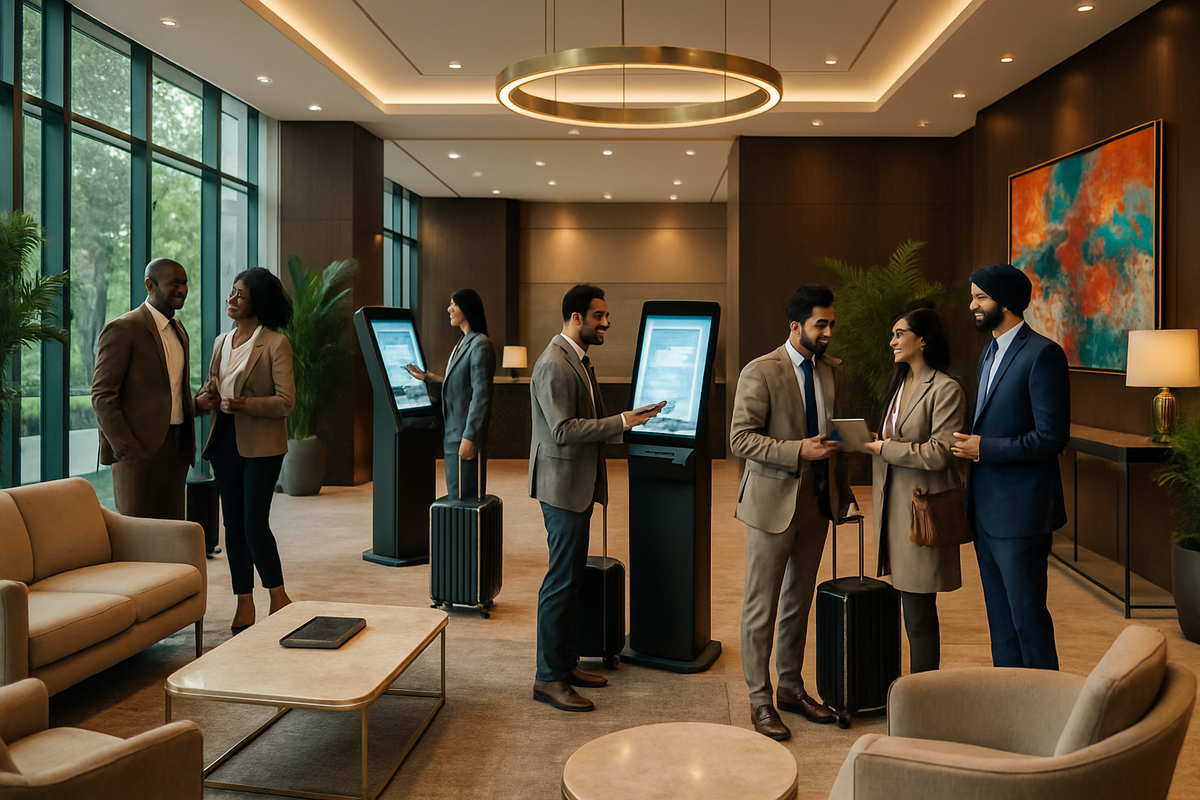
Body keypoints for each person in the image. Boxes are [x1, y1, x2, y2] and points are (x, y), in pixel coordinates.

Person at [528, 283, 664, 712]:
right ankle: (547, 678)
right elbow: (563, 430)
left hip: (576, 484)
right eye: (599, 316)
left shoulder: (578, 360)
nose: (606, 323)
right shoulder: (554, 363)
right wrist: (622, 421)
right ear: (576, 318)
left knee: (572, 579)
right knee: (561, 581)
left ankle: (566, 663)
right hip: (562, 488)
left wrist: (627, 421)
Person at [730, 285, 857, 741]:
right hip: (771, 504)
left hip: (816, 504)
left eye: (831, 324)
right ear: (795, 326)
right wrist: (797, 450)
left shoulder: (832, 371)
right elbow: (740, 439)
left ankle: (790, 686)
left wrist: (842, 494)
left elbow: (835, 438)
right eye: (821, 324)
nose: (828, 332)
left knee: (798, 602)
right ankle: (759, 699)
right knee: (761, 605)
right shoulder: (760, 371)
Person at [951, 263, 1070, 670]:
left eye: (980, 297)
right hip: (985, 513)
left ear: (1005, 302)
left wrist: (984, 448)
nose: (973, 305)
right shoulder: (988, 353)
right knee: (1000, 626)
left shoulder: (1043, 354)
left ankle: (1047, 703)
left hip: (1022, 516)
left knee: (1028, 621)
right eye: (973, 297)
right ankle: (1008, 701)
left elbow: (1052, 437)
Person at [862, 308, 967, 674]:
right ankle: (905, 691)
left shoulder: (945, 389)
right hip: (893, 513)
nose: (892, 341)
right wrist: (875, 441)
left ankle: (923, 694)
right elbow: (897, 440)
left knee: (919, 616)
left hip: (921, 515)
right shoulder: (899, 384)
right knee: (905, 611)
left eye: (899, 334)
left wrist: (884, 448)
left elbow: (941, 452)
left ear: (922, 339)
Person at [196, 268, 296, 635]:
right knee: (233, 526)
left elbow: (285, 402)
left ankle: (279, 596)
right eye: (232, 292)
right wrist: (207, 396)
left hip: (262, 447)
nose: (232, 299)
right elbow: (212, 387)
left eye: (240, 294)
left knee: (254, 523)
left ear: (258, 300)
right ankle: (244, 600)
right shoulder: (221, 342)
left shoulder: (275, 343)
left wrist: (246, 404)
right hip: (224, 441)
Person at [92, 258, 196, 519]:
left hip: (177, 449)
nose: (182, 290)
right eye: (174, 283)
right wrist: (128, 449)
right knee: (137, 531)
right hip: (137, 453)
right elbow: (103, 396)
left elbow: (171, 392)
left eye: (184, 283)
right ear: (150, 285)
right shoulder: (123, 328)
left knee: (172, 529)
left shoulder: (179, 330)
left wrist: (200, 404)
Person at [405, 289, 496, 499]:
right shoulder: (462, 343)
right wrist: (427, 377)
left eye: (454, 304)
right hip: (453, 435)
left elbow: (481, 397)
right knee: (457, 495)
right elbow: (457, 386)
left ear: (468, 308)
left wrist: (470, 437)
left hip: (464, 436)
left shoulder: (480, 344)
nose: (449, 309)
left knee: (465, 498)